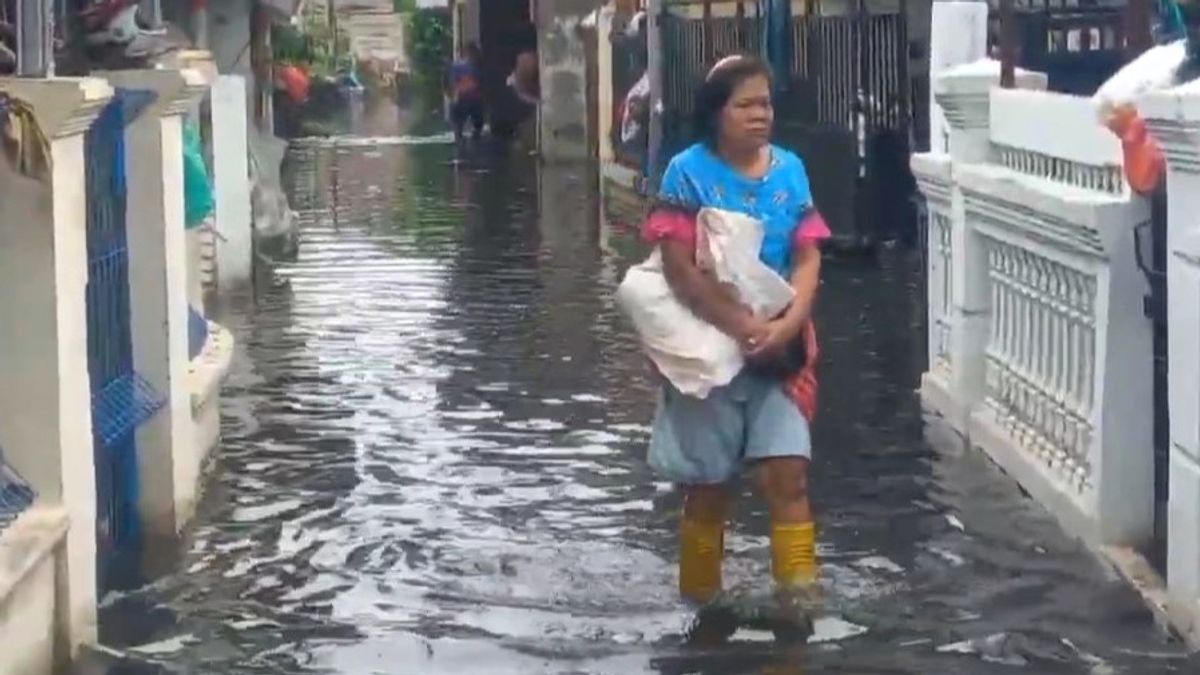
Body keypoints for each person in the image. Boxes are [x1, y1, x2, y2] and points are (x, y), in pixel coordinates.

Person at [640, 54, 830, 629]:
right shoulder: (686, 173)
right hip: (710, 348)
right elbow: (678, 266)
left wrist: (785, 325)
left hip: (780, 348)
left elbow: (807, 255)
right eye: (745, 104)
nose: (759, 115)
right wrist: (736, 323)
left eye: (765, 103)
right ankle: (702, 607)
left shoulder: (791, 171)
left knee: (788, 474)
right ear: (716, 112)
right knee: (709, 487)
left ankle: (798, 607)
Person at [448, 42, 485, 141]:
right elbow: (481, 83)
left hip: (462, 99)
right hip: (473, 100)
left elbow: (452, 83)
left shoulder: (456, 66)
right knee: (477, 129)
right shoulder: (478, 66)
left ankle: (460, 140)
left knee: (458, 130)